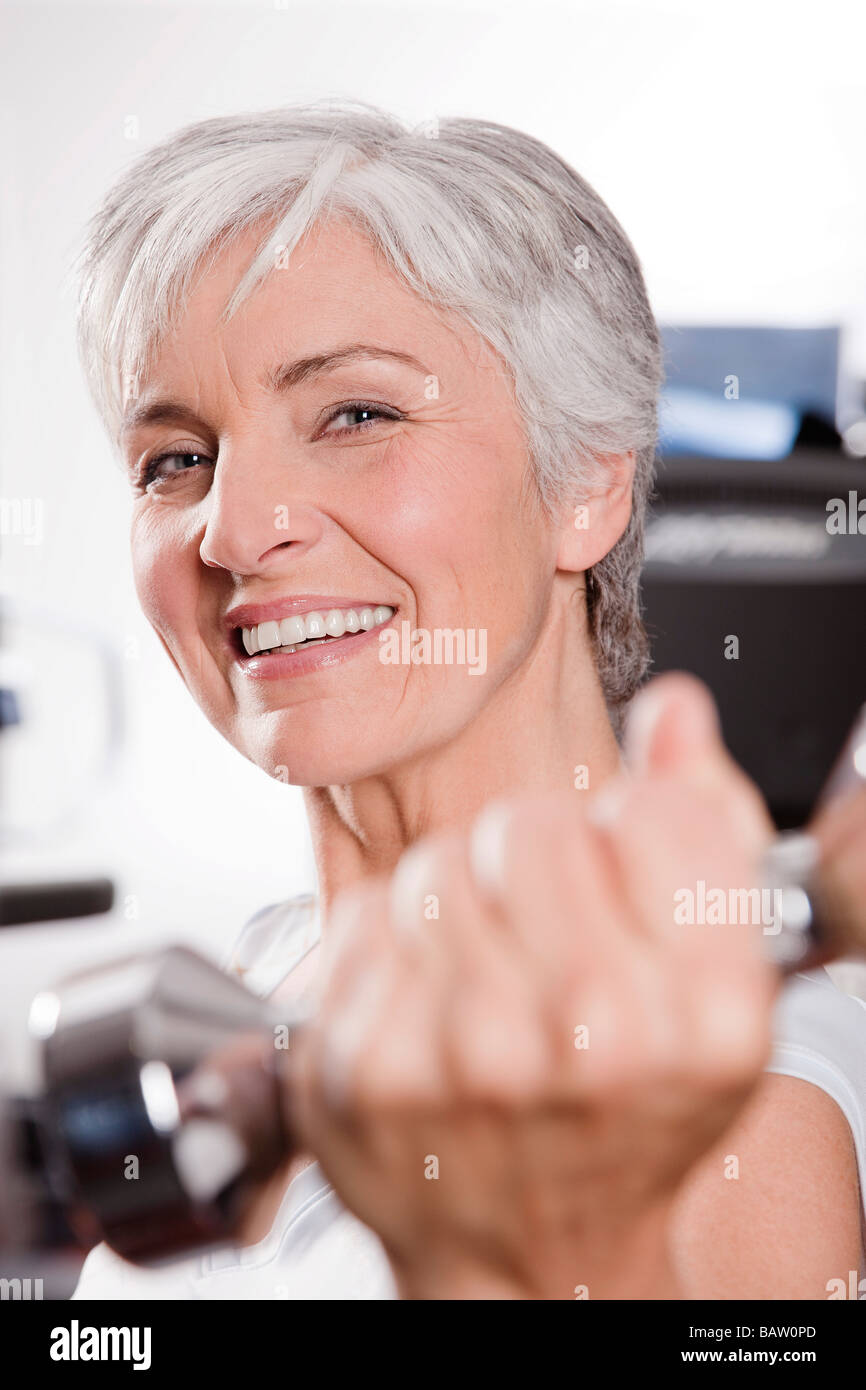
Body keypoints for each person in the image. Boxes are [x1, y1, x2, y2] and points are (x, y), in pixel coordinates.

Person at [71, 101, 866, 1300]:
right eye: (174, 458)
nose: (231, 530)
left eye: (355, 414)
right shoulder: (256, 975)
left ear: (587, 480)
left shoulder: (735, 1106)